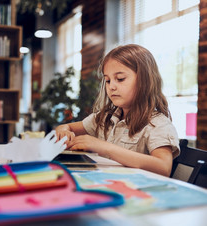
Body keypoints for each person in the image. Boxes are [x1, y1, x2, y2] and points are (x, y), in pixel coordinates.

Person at [55, 44, 180, 177]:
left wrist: (104, 147)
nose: (111, 87)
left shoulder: (157, 124)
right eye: (108, 80)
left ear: (145, 80)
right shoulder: (103, 118)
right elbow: (67, 126)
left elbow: (163, 167)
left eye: (120, 79)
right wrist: (63, 131)